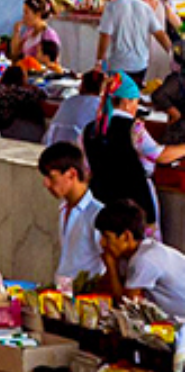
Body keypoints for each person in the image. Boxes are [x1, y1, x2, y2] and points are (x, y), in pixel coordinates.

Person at [82, 73, 185, 225]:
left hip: (102, 202)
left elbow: (86, 169)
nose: (136, 107)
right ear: (127, 102)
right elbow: (160, 155)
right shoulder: (133, 128)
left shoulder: (90, 129)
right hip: (134, 202)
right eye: (136, 102)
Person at [97, 198, 185, 317]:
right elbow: (104, 292)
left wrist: (111, 267)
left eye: (107, 237)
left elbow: (127, 307)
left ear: (126, 236)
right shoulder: (127, 256)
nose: (102, 243)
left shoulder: (145, 259)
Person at [37, 142, 103, 287]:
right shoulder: (63, 209)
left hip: (87, 294)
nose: (46, 184)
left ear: (72, 174)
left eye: (51, 177)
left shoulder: (97, 214)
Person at [97, 0, 165, 83]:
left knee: (119, 93)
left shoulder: (112, 7)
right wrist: (172, 54)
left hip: (119, 65)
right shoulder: (146, 7)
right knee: (134, 92)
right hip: (141, 65)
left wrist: (99, 60)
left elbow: (105, 36)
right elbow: (160, 34)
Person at [48, 68, 105, 147]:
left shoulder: (68, 102)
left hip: (54, 146)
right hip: (79, 148)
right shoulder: (101, 105)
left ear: (82, 85)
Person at [10, 0, 60, 67]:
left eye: (26, 12)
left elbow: (53, 62)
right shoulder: (29, 31)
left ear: (38, 14)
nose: (24, 16)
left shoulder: (49, 35)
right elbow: (15, 53)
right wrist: (16, 32)